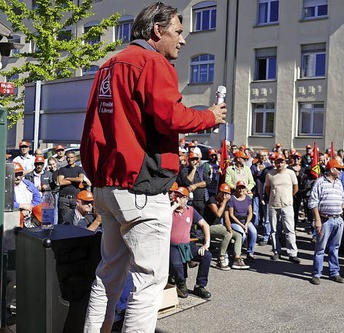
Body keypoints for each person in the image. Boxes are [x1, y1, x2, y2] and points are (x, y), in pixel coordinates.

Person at [80, 3, 227, 331]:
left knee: (108, 276)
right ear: (157, 30)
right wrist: (209, 116)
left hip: (108, 186)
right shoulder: (151, 62)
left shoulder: (109, 64)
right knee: (148, 284)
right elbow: (170, 116)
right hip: (140, 188)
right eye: (178, 32)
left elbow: (92, 125)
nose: (183, 40)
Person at [308, 159, 344, 285]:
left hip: (337, 219)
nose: (341, 171)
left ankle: (334, 272)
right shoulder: (320, 182)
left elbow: (343, 198)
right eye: (339, 169)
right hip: (325, 220)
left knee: (334, 248)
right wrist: (317, 220)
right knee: (320, 248)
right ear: (332, 169)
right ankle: (316, 274)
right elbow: (313, 202)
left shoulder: (339, 183)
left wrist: (340, 208)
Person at [169, 186, 212, 299]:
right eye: (176, 195)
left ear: (186, 199)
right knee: (176, 263)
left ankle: (200, 286)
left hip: (187, 245)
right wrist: (173, 207)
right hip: (172, 246)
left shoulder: (191, 210)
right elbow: (161, 218)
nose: (177, 198)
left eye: (180, 197)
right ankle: (181, 284)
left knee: (206, 255)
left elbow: (205, 225)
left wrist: (206, 244)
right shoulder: (169, 210)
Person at [265, 154, 301, 263]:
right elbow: (267, 189)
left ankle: (292, 253)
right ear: (275, 163)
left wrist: (288, 197)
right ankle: (276, 251)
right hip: (273, 205)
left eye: (281, 162)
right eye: (277, 162)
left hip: (287, 205)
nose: (279, 164)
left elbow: (296, 187)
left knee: (289, 230)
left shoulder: (290, 173)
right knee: (274, 230)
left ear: (285, 162)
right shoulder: (270, 174)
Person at [228, 181, 257, 262]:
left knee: (254, 232)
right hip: (235, 221)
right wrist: (241, 225)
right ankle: (237, 253)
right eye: (239, 188)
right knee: (242, 235)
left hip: (245, 221)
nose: (241, 190)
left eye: (242, 188)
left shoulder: (248, 198)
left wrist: (247, 224)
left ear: (245, 189)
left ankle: (250, 252)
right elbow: (231, 215)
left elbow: (250, 213)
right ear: (236, 188)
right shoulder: (232, 199)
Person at [55, 151, 86, 224]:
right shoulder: (62, 169)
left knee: (76, 220)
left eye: (71, 157)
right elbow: (60, 182)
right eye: (68, 157)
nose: (70, 159)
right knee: (64, 221)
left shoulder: (79, 169)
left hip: (76, 198)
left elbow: (80, 179)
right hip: (64, 198)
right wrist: (75, 179)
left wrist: (68, 178)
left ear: (75, 158)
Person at [13, 162, 42, 228]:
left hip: (31, 210)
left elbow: (37, 198)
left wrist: (30, 207)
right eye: (15, 175)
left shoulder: (27, 183)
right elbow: (6, 203)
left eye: (20, 174)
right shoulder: (8, 187)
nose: (18, 177)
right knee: (19, 216)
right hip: (18, 212)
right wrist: (21, 206)